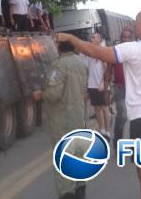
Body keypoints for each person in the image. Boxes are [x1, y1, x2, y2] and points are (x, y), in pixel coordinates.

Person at [57, 9, 141, 199]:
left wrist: (72, 40)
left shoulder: (133, 48)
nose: (133, 25)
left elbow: (96, 51)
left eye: (137, 20)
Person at [32, 40, 88, 199]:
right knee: (78, 154)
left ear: (59, 48)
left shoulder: (59, 65)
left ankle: (67, 194)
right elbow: (84, 90)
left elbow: (54, 94)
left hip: (62, 119)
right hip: (78, 116)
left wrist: (40, 94)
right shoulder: (80, 63)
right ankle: (80, 190)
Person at [106, 27, 132, 146]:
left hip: (134, 90)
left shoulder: (135, 52)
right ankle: (117, 141)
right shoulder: (115, 51)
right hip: (119, 88)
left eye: (128, 37)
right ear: (120, 38)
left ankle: (134, 145)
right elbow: (108, 71)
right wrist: (106, 90)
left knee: (134, 117)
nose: (125, 39)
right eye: (123, 37)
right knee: (123, 115)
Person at [82, 32, 111, 140]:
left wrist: (103, 83)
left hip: (102, 85)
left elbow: (106, 69)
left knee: (105, 109)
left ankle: (108, 131)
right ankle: (102, 129)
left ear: (99, 39)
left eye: (94, 37)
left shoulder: (103, 52)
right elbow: (87, 69)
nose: (91, 39)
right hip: (92, 85)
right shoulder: (90, 52)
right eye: (91, 37)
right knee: (97, 109)